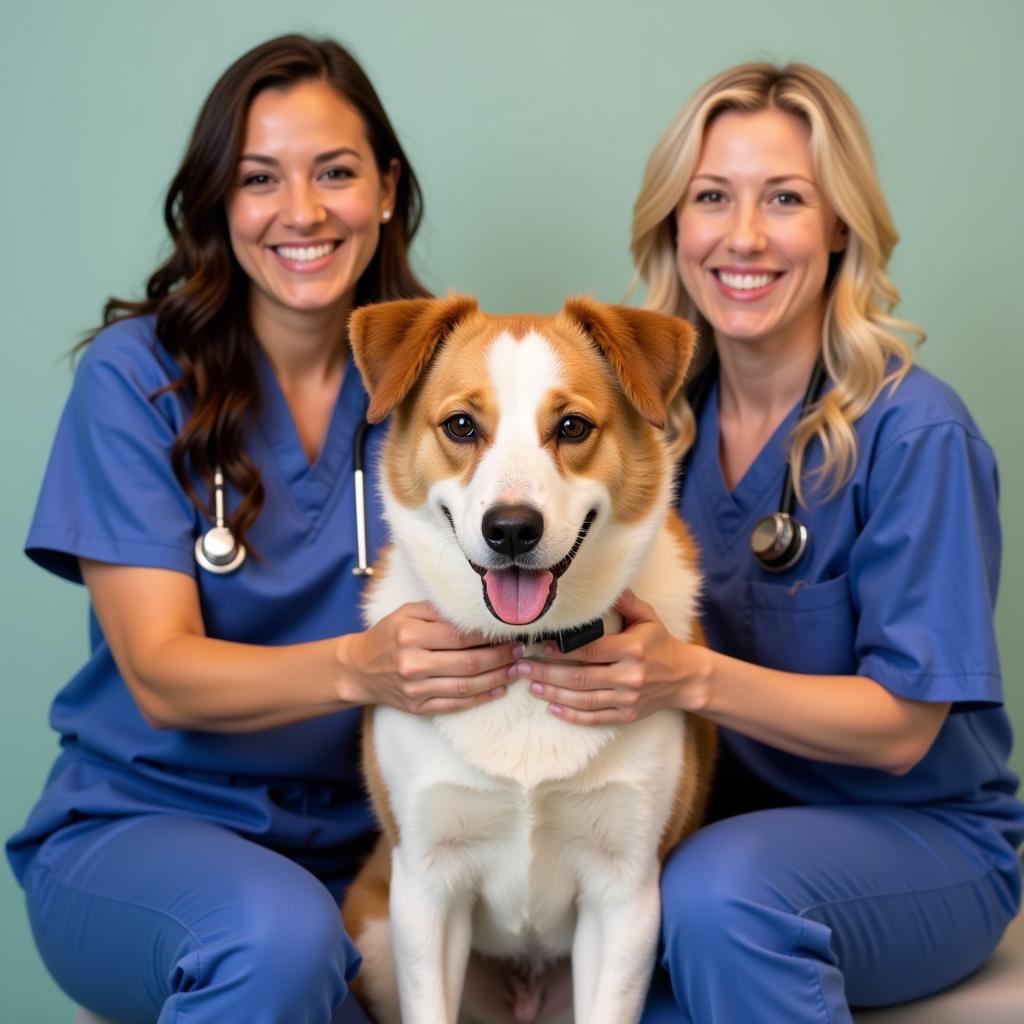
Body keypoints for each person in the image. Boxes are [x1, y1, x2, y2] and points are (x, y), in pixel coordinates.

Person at [7, 34, 518, 1024]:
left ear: (385, 189)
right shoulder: (137, 377)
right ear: (216, 205)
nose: (303, 211)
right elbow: (158, 672)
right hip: (145, 832)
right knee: (278, 941)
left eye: (335, 172)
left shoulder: (450, 376)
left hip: (384, 844)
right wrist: (359, 668)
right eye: (259, 179)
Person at [514, 63, 1024, 1022]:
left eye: (784, 198)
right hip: (707, 836)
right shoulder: (638, 431)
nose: (742, 237)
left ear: (840, 227)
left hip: (916, 842)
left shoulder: (916, 434)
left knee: (717, 900)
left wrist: (690, 676)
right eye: (711, 198)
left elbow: (906, 730)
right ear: (675, 224)